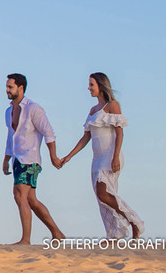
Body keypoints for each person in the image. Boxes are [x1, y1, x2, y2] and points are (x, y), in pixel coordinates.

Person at [54, 72, 145, 239]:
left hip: (110, 155)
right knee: (101, 197)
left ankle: (134, 222)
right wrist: (68, 157)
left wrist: (116, 156)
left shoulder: (112, 105)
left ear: (101, 86)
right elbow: (86, 137)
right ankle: (115, 234)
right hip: (96, 159)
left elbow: (120, 134)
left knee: (104, 193)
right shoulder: (92, 110)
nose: (88, 88)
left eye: (91, 85)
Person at [3, 74, 65, 245]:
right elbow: (11, 137)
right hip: (17, 159)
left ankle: (25, 240)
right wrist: (6, 159)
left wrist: (53, 155)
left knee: (18, 194)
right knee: (31, 200)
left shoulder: (33, 109)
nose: (7, 90)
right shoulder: (9, 111)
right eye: (7, 87)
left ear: (21, 88)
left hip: (30, 159)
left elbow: (48, 132)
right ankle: (57, 233)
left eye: (10, 87)